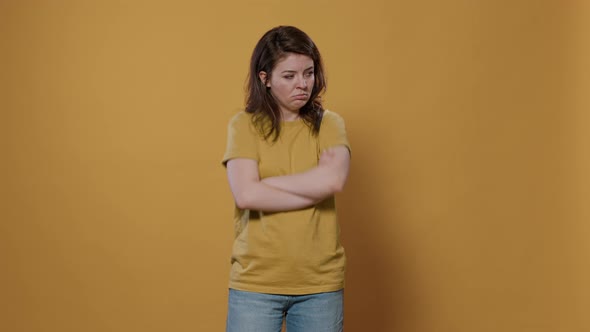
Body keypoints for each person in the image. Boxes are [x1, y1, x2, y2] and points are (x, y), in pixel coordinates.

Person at [222, 25, 351, 332]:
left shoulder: (329, 124)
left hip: (319, 284)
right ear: (265, 79)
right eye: (289, 76)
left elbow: (334, 181)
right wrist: (312, 183)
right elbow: (246, 196)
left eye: (309, 73)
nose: (303, 84)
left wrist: (265, 185)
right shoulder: (244, 126)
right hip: (256, 282)